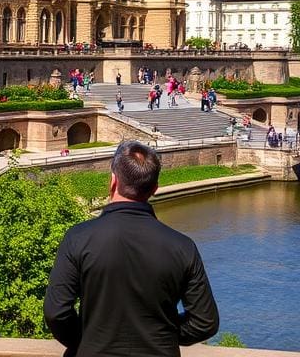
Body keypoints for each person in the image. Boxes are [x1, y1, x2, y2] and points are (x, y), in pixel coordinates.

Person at [44, 141, 219, 357]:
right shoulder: (183, 247)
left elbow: (56, 313)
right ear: (154, 189)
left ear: (113, 181)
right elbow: (205, 322)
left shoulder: (78, 238)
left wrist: (86, 339)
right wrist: (162, 333)